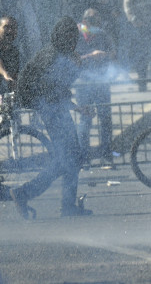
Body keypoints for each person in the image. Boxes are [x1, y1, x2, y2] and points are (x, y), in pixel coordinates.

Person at [10, 16, 106, 218]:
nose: (72, 39)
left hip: (55, 108)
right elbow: (50, 88)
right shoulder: (52, 56)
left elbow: (58, 86)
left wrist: (75, 107)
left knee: (72, 158)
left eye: (74, 34)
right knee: (68, 159)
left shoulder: (60, 54)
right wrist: (76, 107)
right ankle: (25, 193)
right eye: (68, 34)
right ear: (59, 35)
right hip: (51, 110)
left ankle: (66, 205)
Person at [75, 8, 116, 168]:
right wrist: (90, 56)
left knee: (105, 119)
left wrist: (104, 55)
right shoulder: (77, 36)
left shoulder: (103, 35)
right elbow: (72, 58)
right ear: (85, 21)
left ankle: (106, 155)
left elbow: (113, 53)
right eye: (92, 21)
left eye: (97, 21)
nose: (96, 24)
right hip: (83, 84)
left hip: (101, 82)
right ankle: (84, 157)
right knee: (85, 120)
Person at [0, 15, 20, 96]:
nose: (9, 31)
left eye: (13, 28)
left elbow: (14, 75)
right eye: (6, 27)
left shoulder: (14, 52)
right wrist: (5, 74)